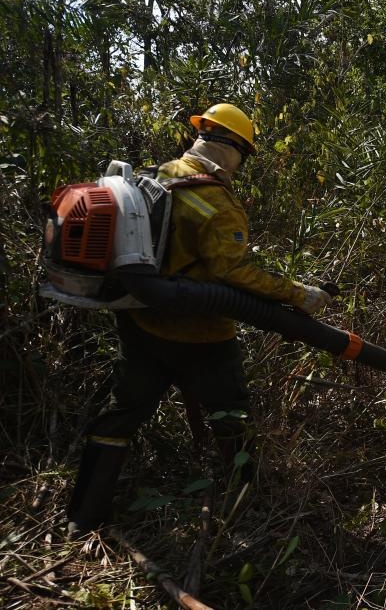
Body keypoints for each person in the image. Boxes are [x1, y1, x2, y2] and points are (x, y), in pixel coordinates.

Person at [67, 103, 330, 535]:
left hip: (141, 324)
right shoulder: (217, 202)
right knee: (232, 418)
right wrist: (299, 294)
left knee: (123, 414)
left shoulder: (157, 175)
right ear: (233, 149)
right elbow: (234, 272)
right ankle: (249, 510)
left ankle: (83, 515)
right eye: (244, 154)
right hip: (203, 335)